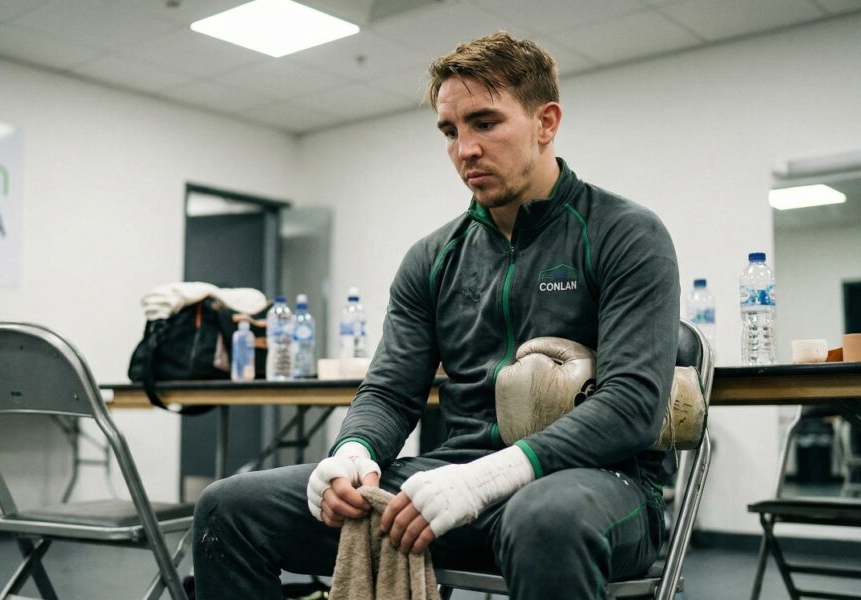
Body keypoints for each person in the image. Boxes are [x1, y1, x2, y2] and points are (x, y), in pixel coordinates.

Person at [192, 31, 679, 599]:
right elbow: (390, 391)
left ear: (545, 123)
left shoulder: (625, 233)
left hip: (597, 482)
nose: (465, 149)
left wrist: (487, 478)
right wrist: (353, 452)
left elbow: (631, 405)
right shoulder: (432, 258)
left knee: (546, 521)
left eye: (485, 123)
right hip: (455, 476)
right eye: (450, 131)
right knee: (229, 508)